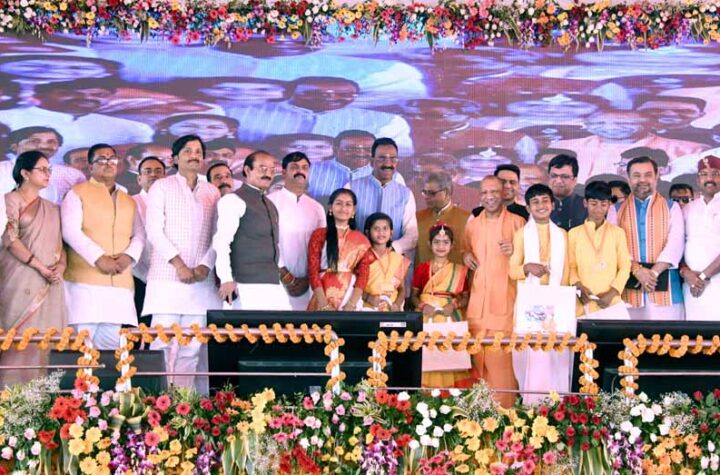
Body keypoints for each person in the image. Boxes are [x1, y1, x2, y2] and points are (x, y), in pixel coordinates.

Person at [144, 135, 221, 393]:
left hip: (201, 281)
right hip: (167, 277)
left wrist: (205, 265)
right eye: (187, 151)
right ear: (175, 158)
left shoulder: (211, 191)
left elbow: (218, 235)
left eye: (198, 151)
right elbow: (153, 231)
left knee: (192, 347)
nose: (194, 155)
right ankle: (155, 400)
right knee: (161, 343)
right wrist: (179, 265)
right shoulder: (162, 187)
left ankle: (182, 403)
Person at [61, 144, 144, 349]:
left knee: (113, 346)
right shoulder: (77, 193)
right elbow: (70, 231)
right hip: (84, 281)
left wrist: (128, 257)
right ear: (90, 167)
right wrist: (99, 258)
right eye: (101, 159)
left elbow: (140, 235)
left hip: (120, 282)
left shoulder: (128, 200)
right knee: (83, 345)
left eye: (112, 159)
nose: (108, 163)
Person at [0, 151, 67, 386]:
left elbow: (60, 245)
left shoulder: (53, 208)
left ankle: (42, 398)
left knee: (46, 337)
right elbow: (10, 239)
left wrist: (60, 267)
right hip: (18, 278)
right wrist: (40, 267)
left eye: (50, 169)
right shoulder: (8, 201)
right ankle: (11, 397)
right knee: (17, 336)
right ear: (25, 173)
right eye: (42, 169)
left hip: (50, 280)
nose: (48, 174)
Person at [463, 176, 526, 407]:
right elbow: (465, 249)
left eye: (494, 192)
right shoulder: (473, 224)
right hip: (477, 305)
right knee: (477, 363)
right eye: (484, 192)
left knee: (502, 367)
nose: (489, 197)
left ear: (504, 194)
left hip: (505, 304)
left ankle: (506, 417)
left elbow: (531, 260)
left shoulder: (518, 222)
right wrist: (465, 255)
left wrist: (515, 251)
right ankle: (478, 417)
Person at [508, 184, 570, 405]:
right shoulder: (521, 235)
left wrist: (560, 300)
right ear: (528, 207)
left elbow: (566, 271)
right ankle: (531, 403)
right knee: (532, 353)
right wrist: (527, 267)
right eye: (535, 202)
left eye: (545, 201)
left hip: (556, 302)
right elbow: (512, 270)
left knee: (557, 352)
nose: (541, 206)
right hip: (530, 303)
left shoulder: (562, 235)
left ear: (553, 204)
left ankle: (558, 404)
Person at [213, 150, 291, 310]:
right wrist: (226, 279)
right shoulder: (233, 200)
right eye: (262, 168)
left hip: (273, 283)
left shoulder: (270, 204)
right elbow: (222, 242)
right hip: (244, 283)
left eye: (271, 170)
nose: (268, 174)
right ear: (247, 170)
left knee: (284, 325)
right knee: (248, 326)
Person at [618, 157, 685, 320]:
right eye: (636, 175)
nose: (642, 180)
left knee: (668, 336)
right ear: (628, 178)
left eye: (648, 175)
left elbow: (675, 245)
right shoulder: (616, 210)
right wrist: (637, 271)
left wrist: (652, 274)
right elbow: (615, 248)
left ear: (657, 176)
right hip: (628, 291)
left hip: (667, 291)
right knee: (629, 336)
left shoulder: (672, 207)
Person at [410, 223, 470, 388]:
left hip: (449, 316)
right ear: (429, 244)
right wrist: (423, 306)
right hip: (426, 316)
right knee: (426, 354)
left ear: (452, 245)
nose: (441, 246)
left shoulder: (459, 271)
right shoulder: (422, 268)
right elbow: (413, 296)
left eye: (445, 242)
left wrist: (455, 305)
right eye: (436, 242)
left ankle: (449, 396)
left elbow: (466, 297)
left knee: (448, 355)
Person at [267, 152, 326, 310]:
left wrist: (309, 278)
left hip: (308, 283)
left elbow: (321, 247)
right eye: (294, 167)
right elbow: (265, 242)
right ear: (283, 172)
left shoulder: (317, 208)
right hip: (276, 280)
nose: (300, 171)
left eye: (305, 167)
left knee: (306, 324)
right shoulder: (269, 201)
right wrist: (285, 275)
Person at [346, 138, 418, 260]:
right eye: (382, 158)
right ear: (371, 162)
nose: (388, 164)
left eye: (393, 159)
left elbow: (412, 234)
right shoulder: (351, 188)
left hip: (392, 263)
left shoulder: (406, 194)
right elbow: (343, 228)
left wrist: (392, 249)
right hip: (356, 260)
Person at [569, 181, 632, 316]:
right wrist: (578, 286)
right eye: (593, 203)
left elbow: (625, 267)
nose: (598, 209)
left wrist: (612, 293)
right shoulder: (574, 233)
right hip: (582, 301)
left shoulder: (617, 233)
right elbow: (570, 266)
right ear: (585, 203)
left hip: (611, 302)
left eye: (603, 204)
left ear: (609, 205)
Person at [307, 189, 371, 311]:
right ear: (330, 207)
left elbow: (363, 275)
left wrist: (351, 304)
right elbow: (312, 271)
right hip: (321, 292)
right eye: (339, 203)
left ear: (354, 210)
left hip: (349, 294)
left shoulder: (361, 240)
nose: (343, 208)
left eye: (348, 204)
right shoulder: (319, 235)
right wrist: (323, 303)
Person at [0, 126, 86, 204]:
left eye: (51, 142)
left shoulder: (72, 175)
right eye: (34, 141)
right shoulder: (2, 169)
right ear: (14, 147)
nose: (44, 146)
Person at [680, 156, 720, 321]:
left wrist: (703, 277)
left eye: (715, 173)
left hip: (714, 284)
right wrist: (686, 273)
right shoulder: (688, 208)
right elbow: (678, 247)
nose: (709, 178)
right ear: (697, 180)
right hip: (691, 287)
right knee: (693, 334)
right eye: (704, 174)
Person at [132, 156, 166, 323]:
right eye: (148, 171)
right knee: (140, 330)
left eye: (158, 171)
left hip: (169, 278)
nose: (153, 175)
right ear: (139, 179)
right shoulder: (130, 203)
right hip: (138, 277)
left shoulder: (173, 203)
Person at [415, 171, 469, 266]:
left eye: (431, 193)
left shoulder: (466, 219)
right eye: (424, 192)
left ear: (447, 192)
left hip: (455, 274)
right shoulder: (417, 218)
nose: (426, 197)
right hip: (423, 274)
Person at [362, 212, 410, 311]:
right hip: (367, 308)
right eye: (376, 229)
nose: (381, 232)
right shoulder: (362, 256)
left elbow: (402, 289)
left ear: (391, 233)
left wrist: (397, 304)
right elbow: (354, 287)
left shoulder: (397, 258)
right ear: (367, 232)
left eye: (385, 228)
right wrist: (368, 298)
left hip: (392, 309)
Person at [547, 154, 587, 230]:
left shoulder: (586, 206)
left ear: (575, 180)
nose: (558, 181)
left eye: (564, 177)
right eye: (554, 176)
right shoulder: (539, 205)